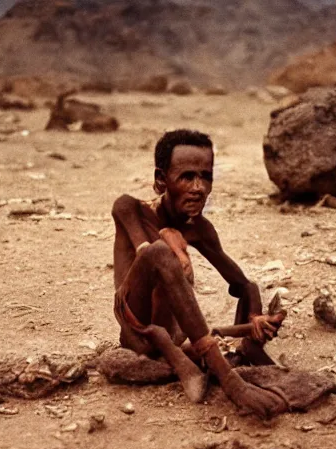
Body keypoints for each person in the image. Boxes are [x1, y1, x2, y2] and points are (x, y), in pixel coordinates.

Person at [110, 129, 289, 418]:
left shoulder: (199, 229)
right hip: (136, 330)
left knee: (252, 287)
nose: (199, 187)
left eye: (206, 177)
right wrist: (173, 241)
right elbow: (147, 252)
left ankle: (248, 350)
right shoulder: (129, 207)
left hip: (175, 333)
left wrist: (255, 320)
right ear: (160, 180)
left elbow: (241, 283)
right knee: (160, 253)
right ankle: (231, 382)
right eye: (187, 177)